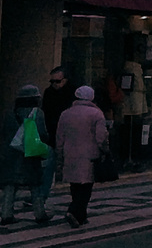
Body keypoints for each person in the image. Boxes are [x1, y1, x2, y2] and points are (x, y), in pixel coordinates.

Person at [55, 85, 108, 229]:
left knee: (75, 184)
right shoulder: (97, 114)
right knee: (86, 186)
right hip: (89, 155)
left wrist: (59, 155)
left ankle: (81, 216)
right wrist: (104, 150)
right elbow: (101, 137)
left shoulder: (65, 114)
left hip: (70, 154)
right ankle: (73, 211)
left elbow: (59, 137)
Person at [0, 85, 53, 226]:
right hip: (30, 153)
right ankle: (39, 213)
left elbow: (4, 133)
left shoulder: (9, 113)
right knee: (35, 185)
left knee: (10, 186)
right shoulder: (37, 113)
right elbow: (42, 133)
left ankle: (6, 214)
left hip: (10, 153)